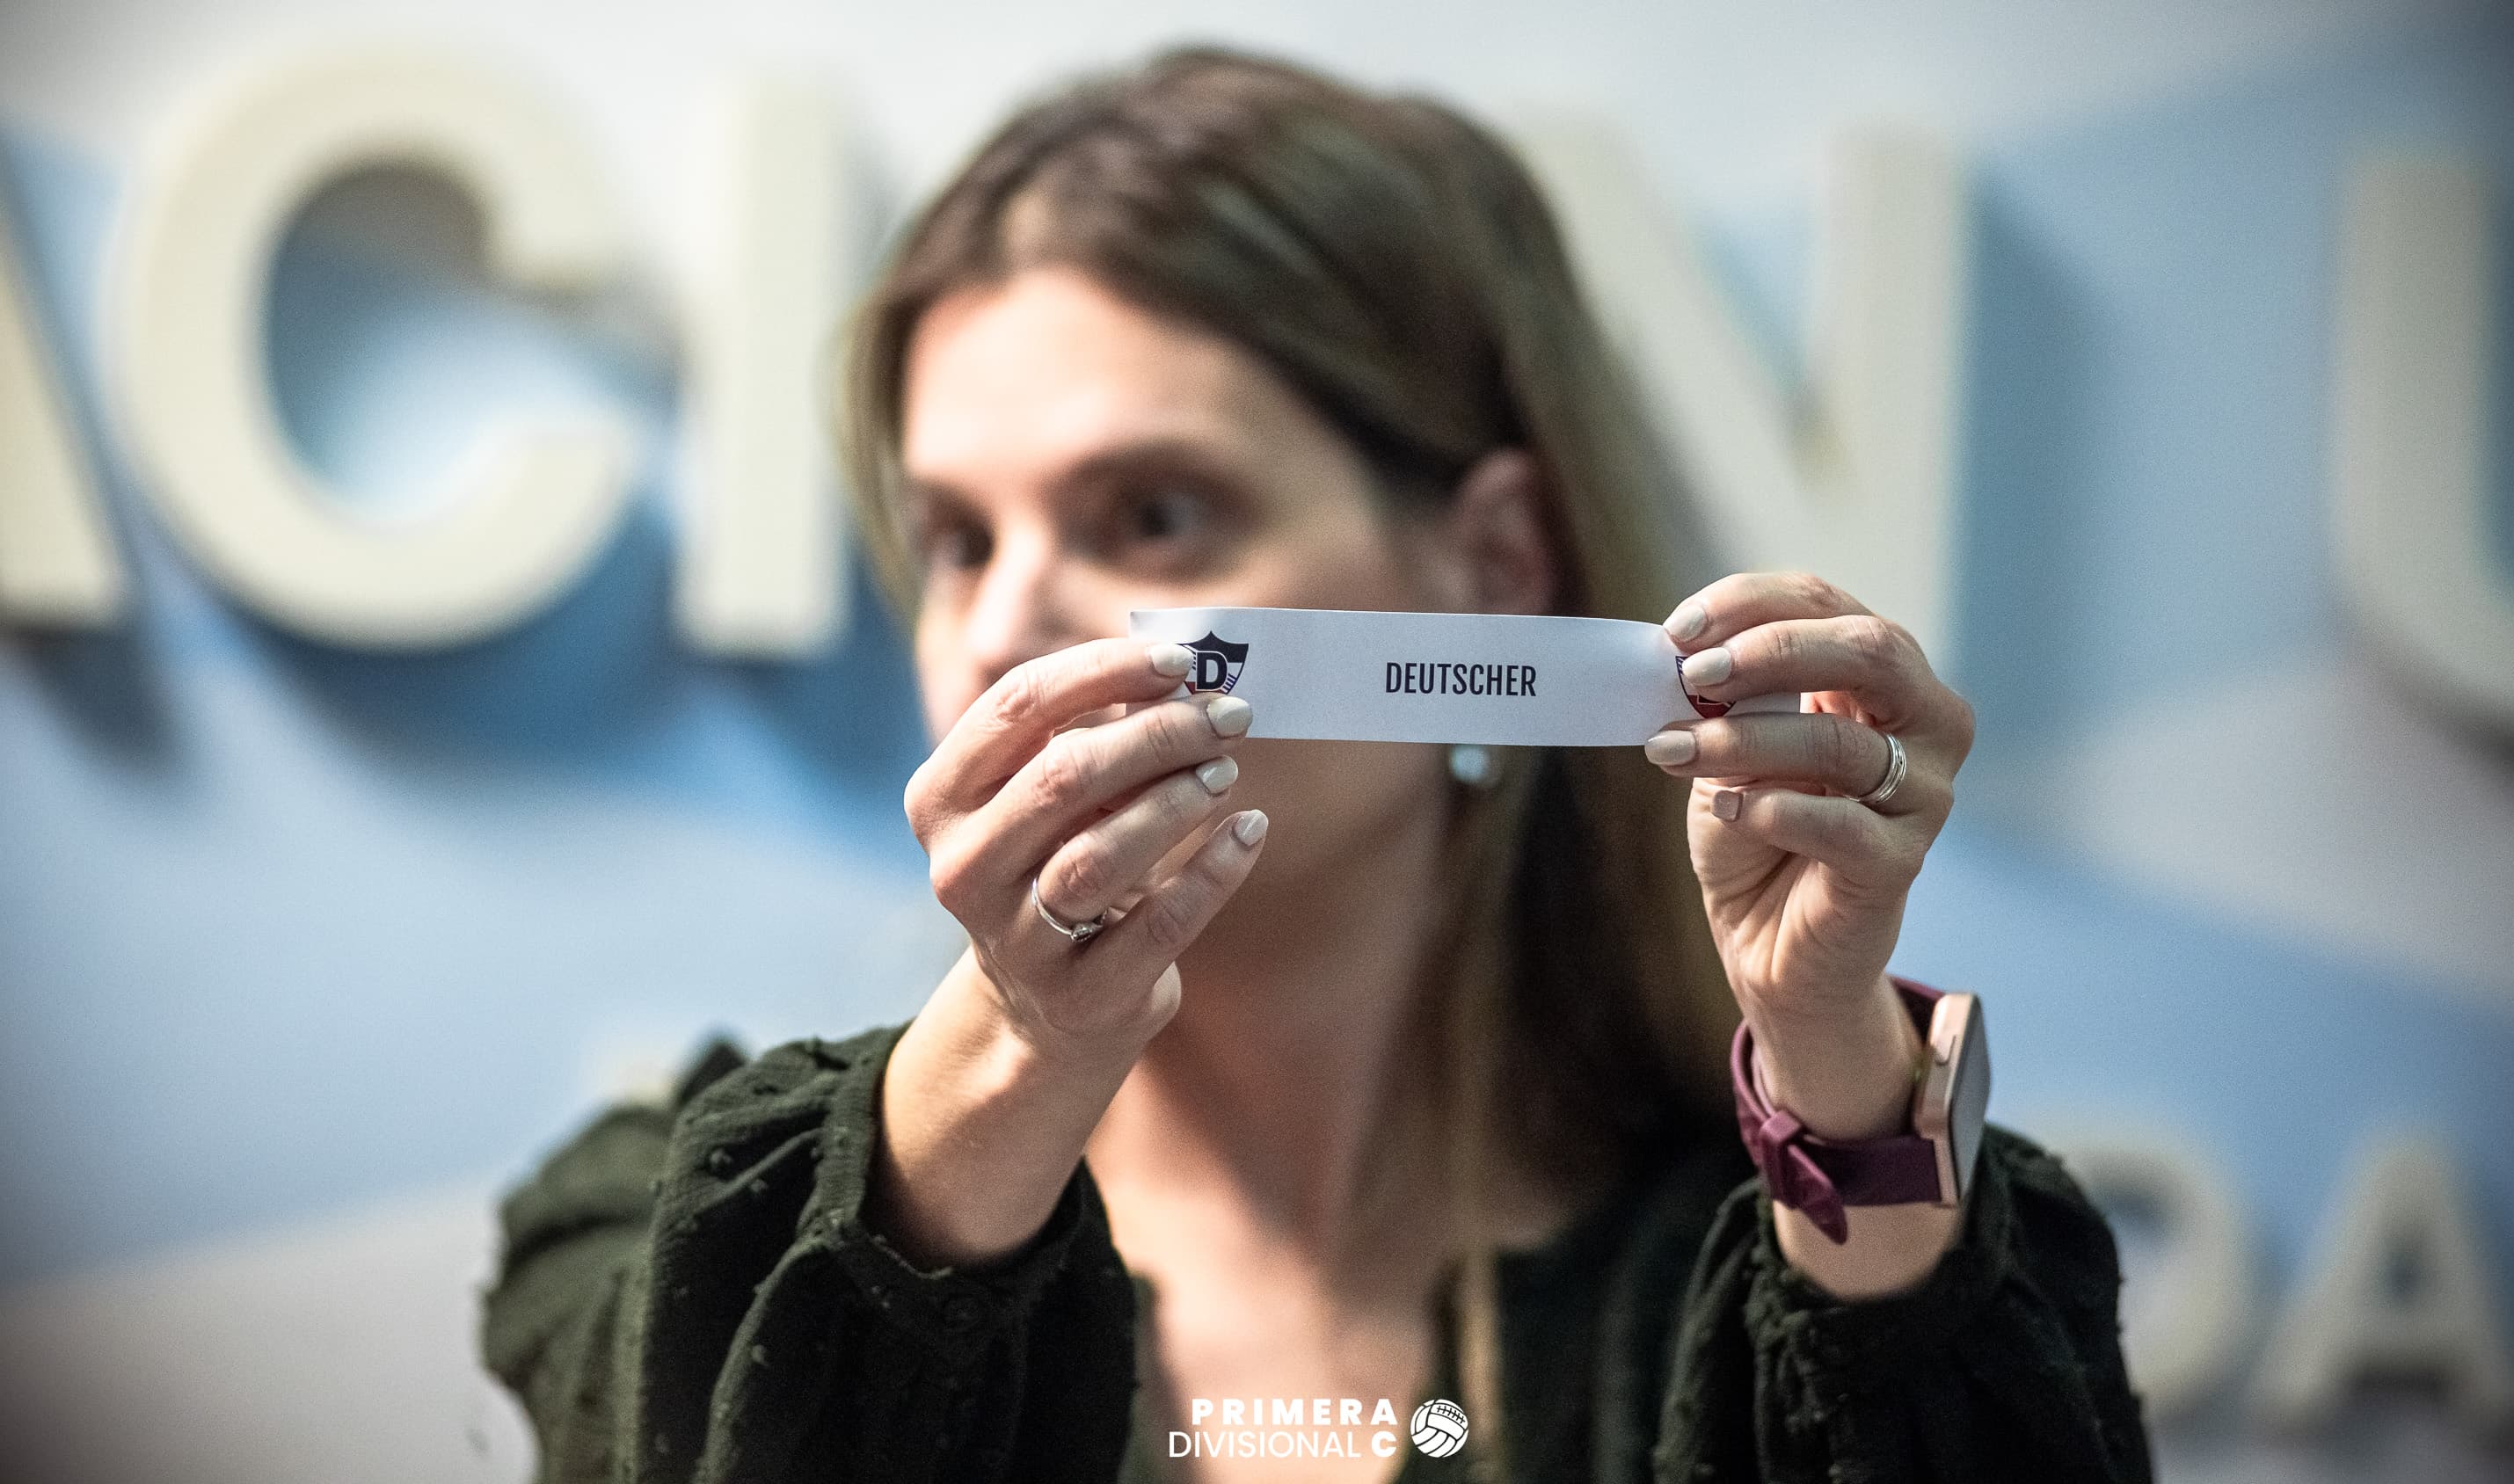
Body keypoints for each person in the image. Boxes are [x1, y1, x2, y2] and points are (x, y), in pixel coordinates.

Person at [479, 45, 2150, 1484]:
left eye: (1153, 513)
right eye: (956, 540)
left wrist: (1835, 1065)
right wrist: (1014, 1044)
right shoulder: (672, 1231)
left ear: (1493, 564)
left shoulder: (1753, 1273)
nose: (1001, 632)